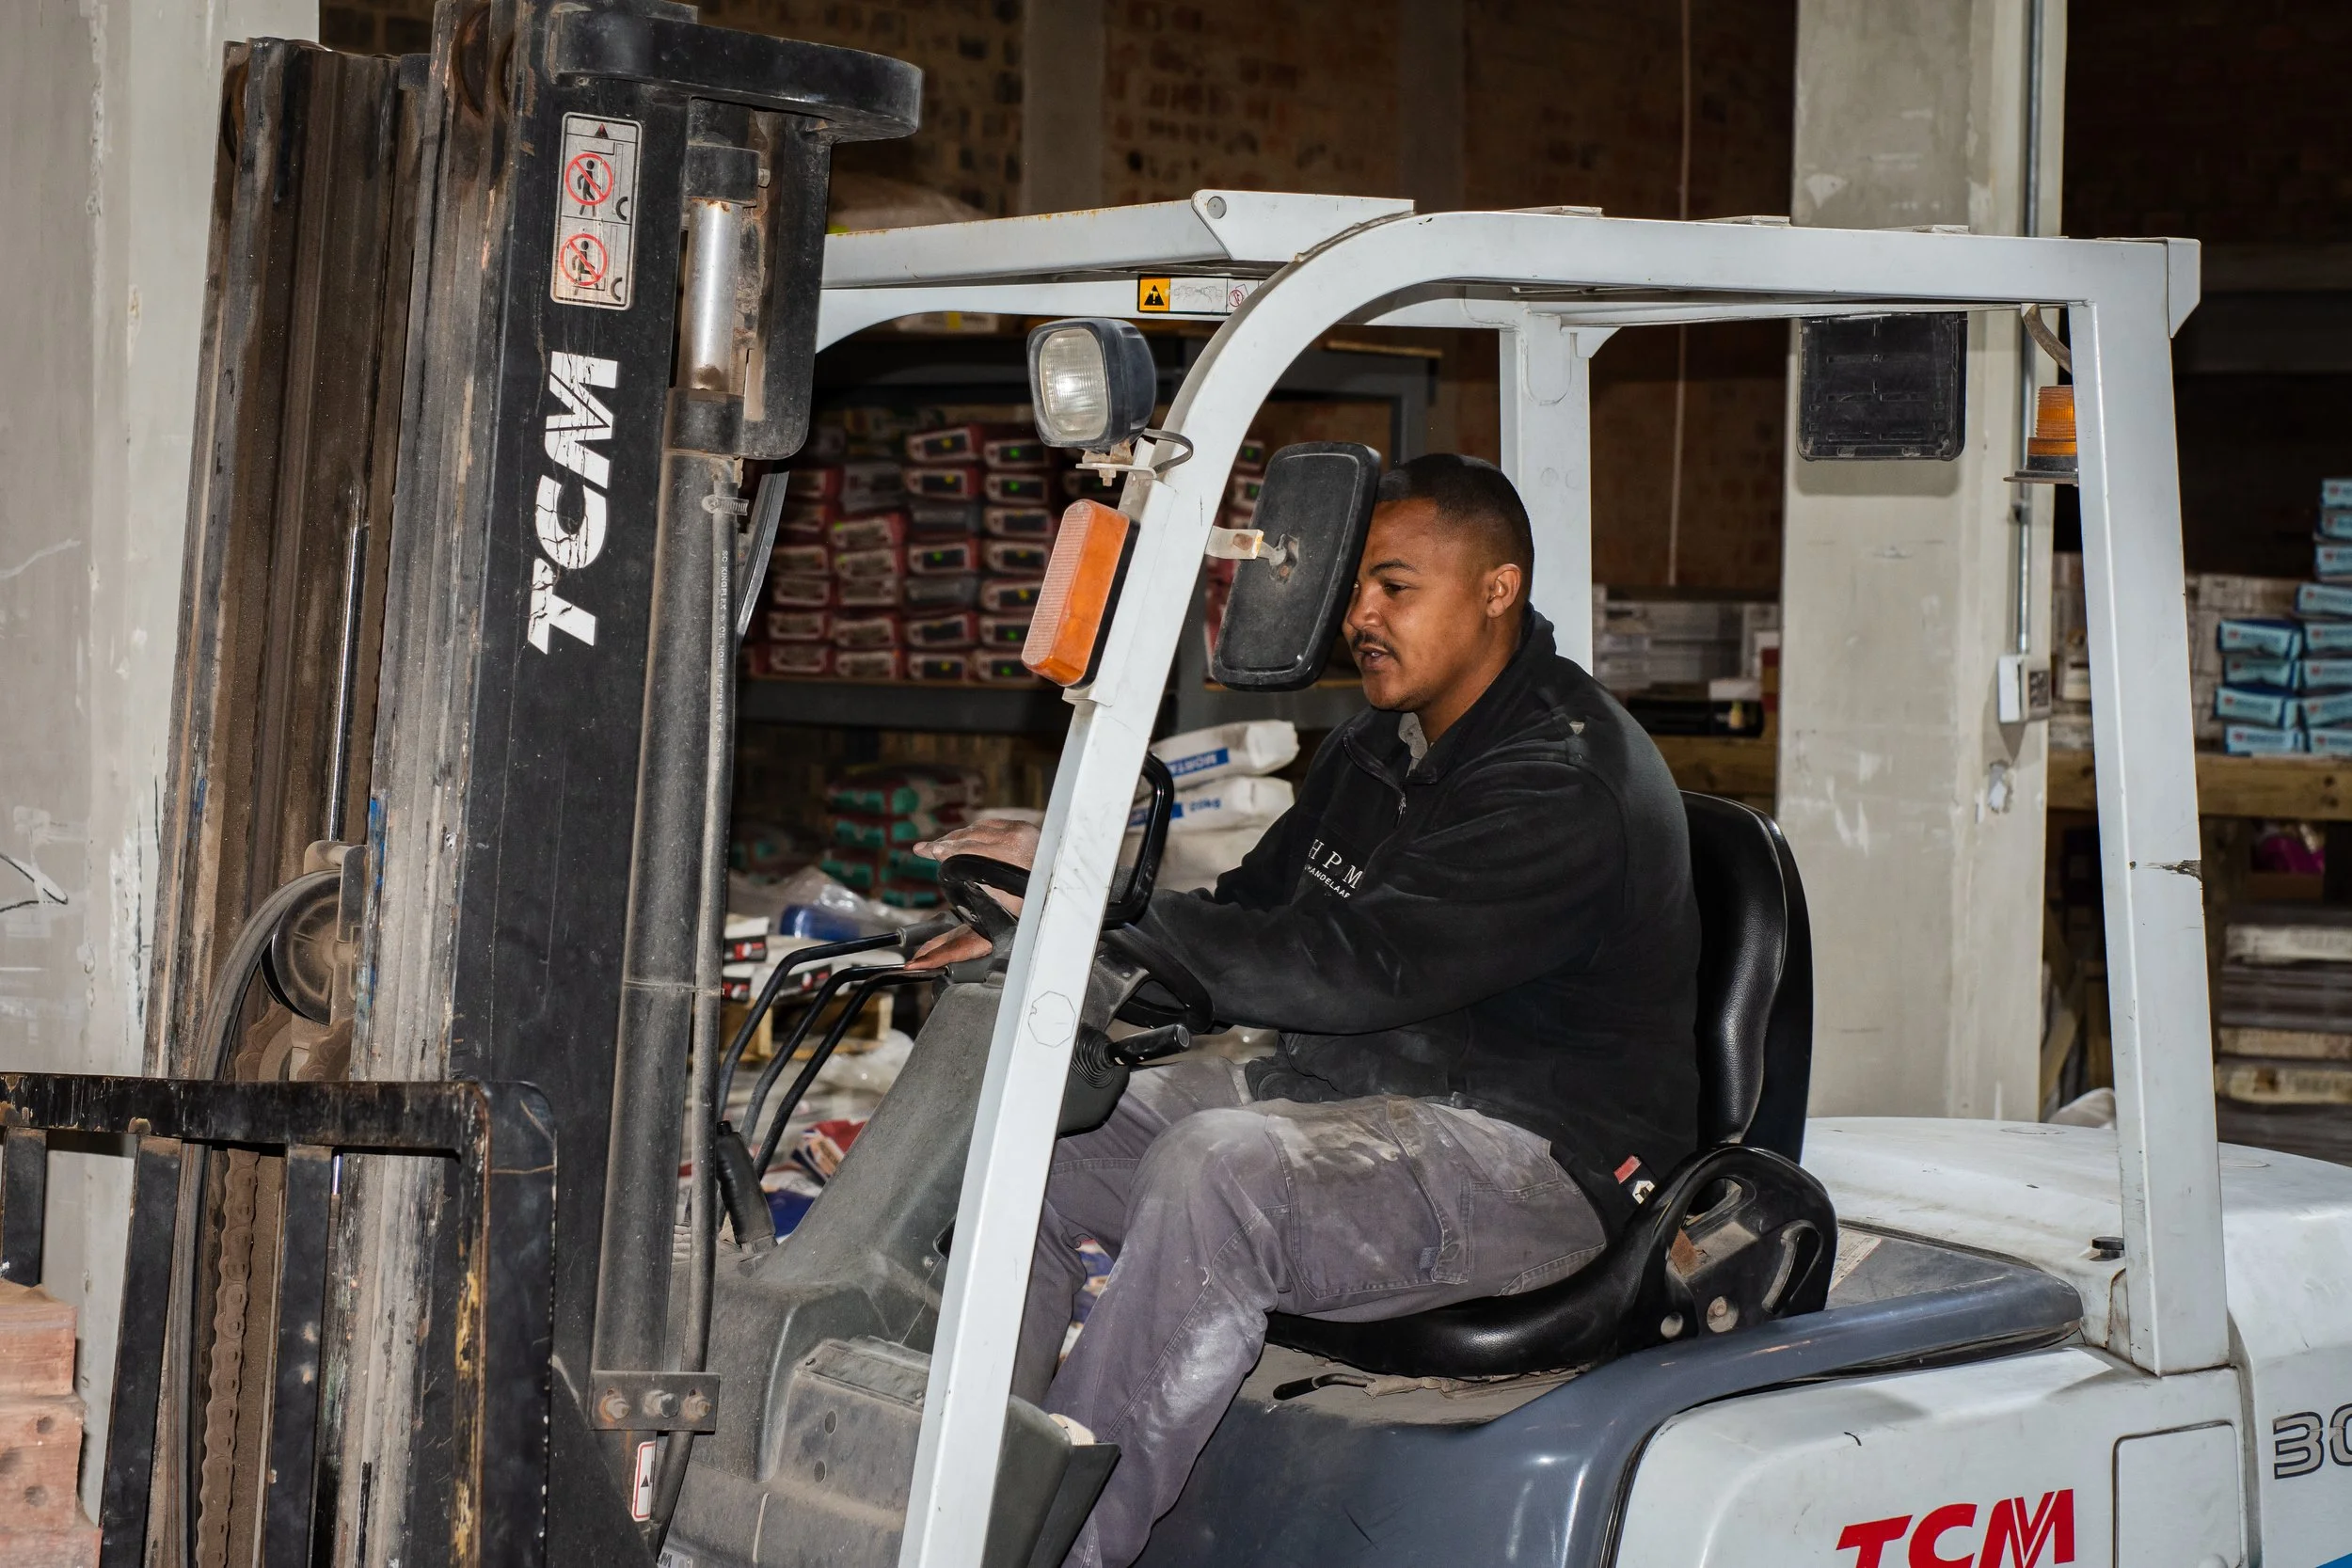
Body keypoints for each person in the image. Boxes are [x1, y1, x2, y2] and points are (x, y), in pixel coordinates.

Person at [912, 453, 1700, 1568]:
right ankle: (949, 1501)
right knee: (1035, 1125)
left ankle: (1049, 1549)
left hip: (1537, 1152)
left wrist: (1084, 900)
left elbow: (1351, 964)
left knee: (1219, 1172)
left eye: (1395, 587)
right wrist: (1049, 930)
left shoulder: (1561, 782)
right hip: (1358, 1088)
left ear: (1496, 589)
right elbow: (1252, 911)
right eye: (1358, 591)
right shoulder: (1383, 742)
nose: (1360, 617)